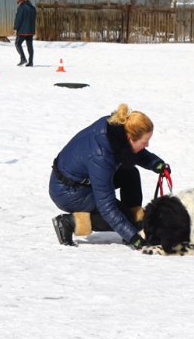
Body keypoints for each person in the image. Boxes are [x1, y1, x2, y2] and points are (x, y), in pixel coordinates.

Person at [50, 103, 170, 249]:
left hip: (82, 179)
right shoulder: (101, 157)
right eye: (145, 142)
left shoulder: (117, 128)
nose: (147, 145)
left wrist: (155, 163)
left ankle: (135, 219)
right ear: (129, 137)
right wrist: (133, 237)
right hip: (69, 191)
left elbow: (130, 150)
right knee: (121, 218)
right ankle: (68, 223)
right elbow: (107, 206)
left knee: (130, 173)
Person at [14, 0, 36, 66]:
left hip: (22, 30)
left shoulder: (22, 7)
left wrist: (15, 27)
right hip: (31, 30)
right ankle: (31, 62)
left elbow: (18, 18)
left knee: (17, 43)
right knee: (30, 46)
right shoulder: (32, 8)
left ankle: (23, 59)